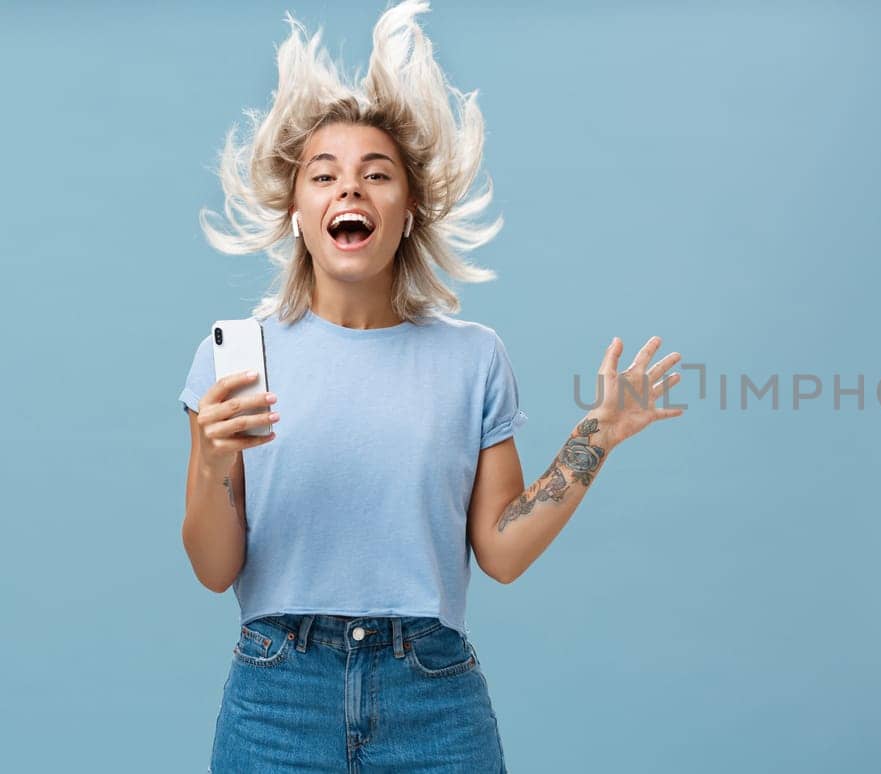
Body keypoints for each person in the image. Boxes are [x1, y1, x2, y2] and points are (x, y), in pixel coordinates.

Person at [179, 2, 684, 770]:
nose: (350, 189)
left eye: (376, 175)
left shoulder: (472, 358)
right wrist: (215, 460)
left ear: (407, 209)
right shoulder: (236, 359)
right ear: (297, 212)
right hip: (277, 694)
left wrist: (598, 436)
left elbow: (502, 552)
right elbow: (216, 569)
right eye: (325, 175)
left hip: (431, 692)